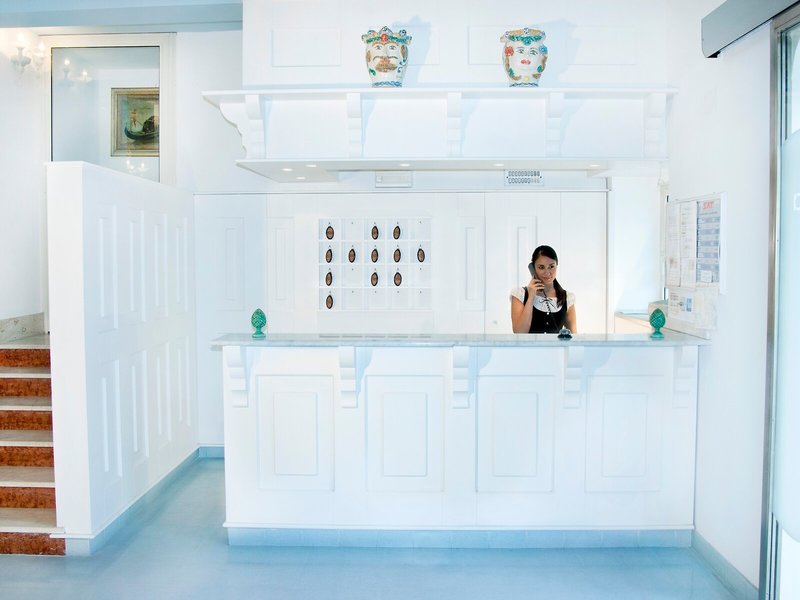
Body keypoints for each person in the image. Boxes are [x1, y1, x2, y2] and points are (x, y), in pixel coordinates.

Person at [510, 245, 577, 334]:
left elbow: (573, 336)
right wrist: (530, 298)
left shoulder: (567, 298)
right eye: (541, 267)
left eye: (551, 266)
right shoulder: (520, 295)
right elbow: (519, 332)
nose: (547, 272)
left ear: (557, 265)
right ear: (533, 268)